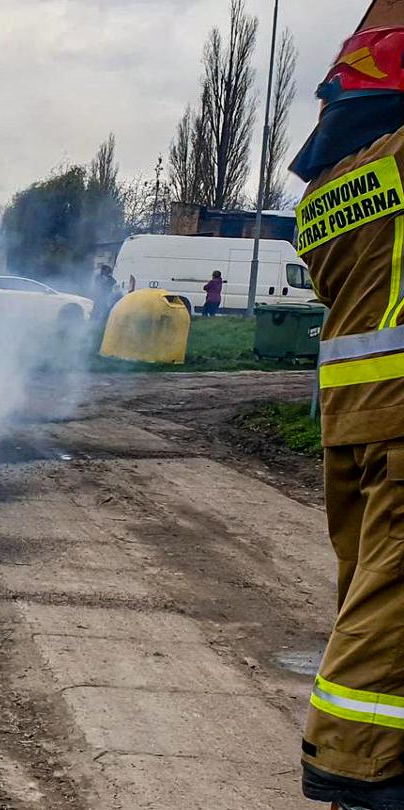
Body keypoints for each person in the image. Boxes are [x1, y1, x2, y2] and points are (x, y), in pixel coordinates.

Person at [290, 8, 404, 807]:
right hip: (399, 414)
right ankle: (355, 768)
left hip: (355, 419)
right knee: (390, 604)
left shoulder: (329, 193)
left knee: (368, 590)